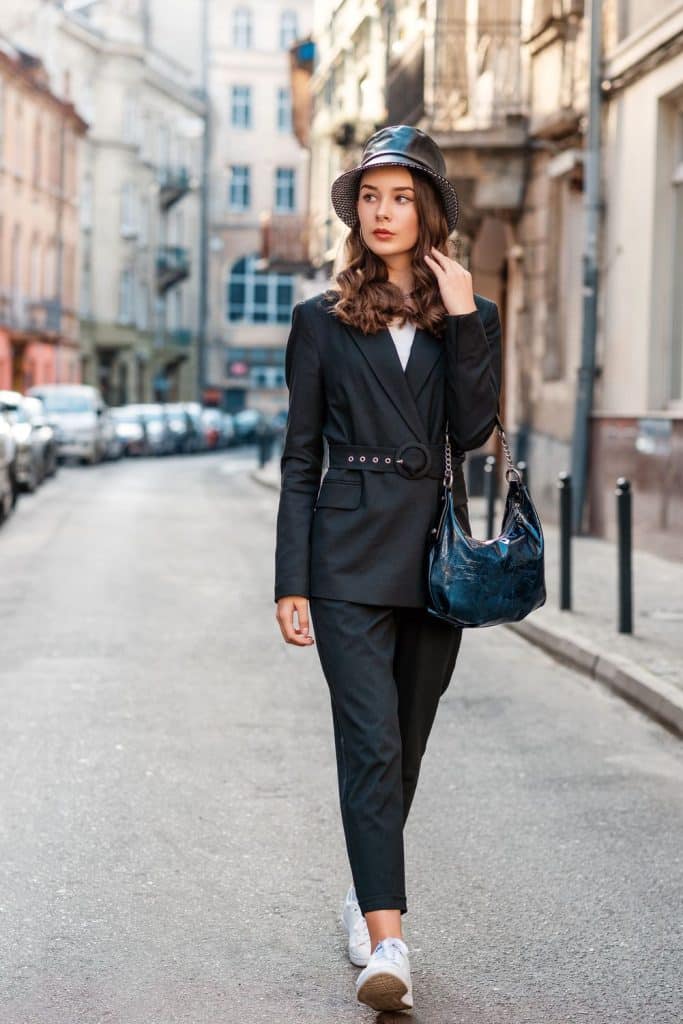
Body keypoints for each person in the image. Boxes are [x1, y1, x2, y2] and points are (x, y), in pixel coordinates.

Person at [274, 124, 501, 1013]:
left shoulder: (464, 317)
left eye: (401, 197)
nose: (382, 212)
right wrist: (290, 579)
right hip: (342, 560)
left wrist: (467, 317)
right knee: (367, 744)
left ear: (429, 211)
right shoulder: (317, 322)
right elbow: (299, 460)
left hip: (433, 561)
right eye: (370, 196)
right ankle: (388, 942)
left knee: (402, 744)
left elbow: (474, 433)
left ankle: (361, 894)